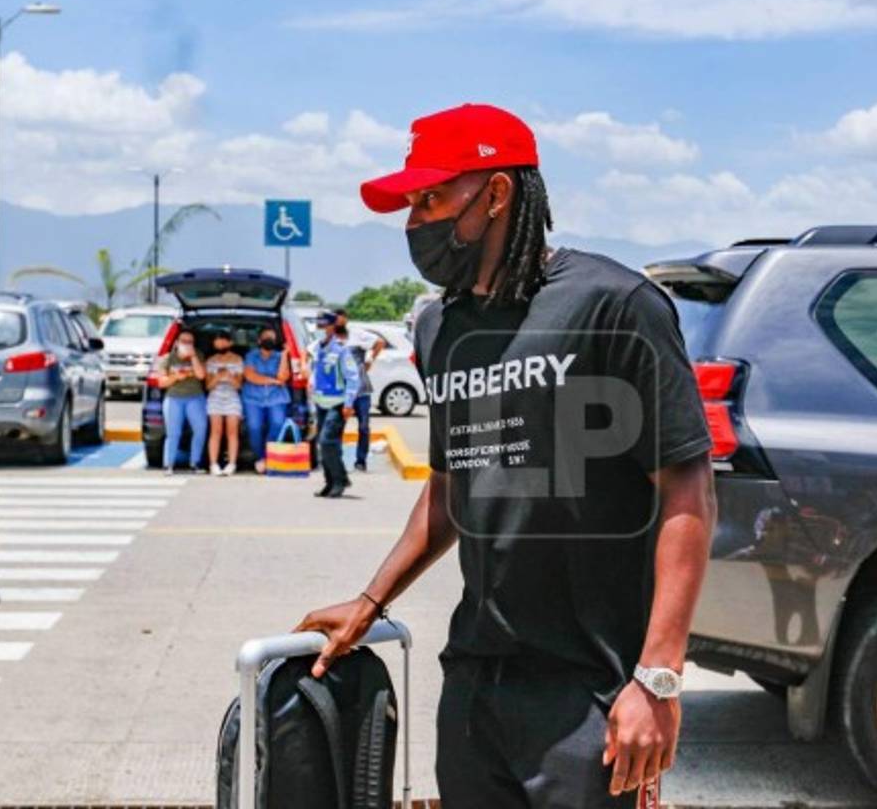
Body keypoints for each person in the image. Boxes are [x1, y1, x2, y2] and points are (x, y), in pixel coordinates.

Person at [296, 104, 717, 807]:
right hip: (473, 686)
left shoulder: (612, 305)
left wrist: (658, 678)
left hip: (591, 691)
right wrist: (372, 600)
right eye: (409, 204)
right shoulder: (440, 326)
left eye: (432, 198)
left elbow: (689, 490)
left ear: (497, 193)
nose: (415, 222)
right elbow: (453, 485)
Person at [310, 311, 361, 498]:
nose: (320, 329)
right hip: (320, 402)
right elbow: (315, 376)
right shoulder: (316, 349)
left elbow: (353, 378)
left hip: (338, 404)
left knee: (327, 441)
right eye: (318, 326)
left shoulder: (341, 350)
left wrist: (348, 404)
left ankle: (340, 480)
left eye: (324, 326)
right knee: (323, 445)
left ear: (332, 327)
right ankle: (330, 481)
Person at [334, 309, 384, 472]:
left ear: (346, 320)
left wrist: (370, 360)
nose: (339, 323)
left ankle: (360, 461)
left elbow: (379, 342)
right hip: (341, 391)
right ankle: (337, 459)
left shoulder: (357, 334)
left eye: (341, 320)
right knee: (337, 426)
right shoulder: (330, 339)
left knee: (363, 426)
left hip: (361, 389)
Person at [155, 326, 207, 475]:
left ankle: (195, 463)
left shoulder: (198, 355)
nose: (187, 344)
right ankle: (169, 464)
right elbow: (161, 382)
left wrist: (193, 357)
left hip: (195, 397)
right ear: (177, 343)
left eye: (190, 342)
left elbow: (201, 375)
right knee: (173, 432)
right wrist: (175, 377)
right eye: (184, 341)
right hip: (174, 398)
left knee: (200, 429)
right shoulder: (168, 358)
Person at [242, 326, 292, 474]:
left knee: (277, 423)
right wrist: (273, 381)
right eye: (266, 337)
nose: (269, 340)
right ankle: (261, 457)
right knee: (254, 427)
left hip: (276, 398)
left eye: (272, 338)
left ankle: (269, 457)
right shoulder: (251, 355)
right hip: (253, 398)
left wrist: (284, 356)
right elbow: (250, 376)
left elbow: (283, 377)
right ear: (259, 340)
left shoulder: (279, 356)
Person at [204, 329, 244, 476]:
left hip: (232, 398)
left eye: (223, 340)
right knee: (215, 431)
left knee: (232, 432)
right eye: (217, 340)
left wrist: (229, 376)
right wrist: (217, 377)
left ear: (230, 342)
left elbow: (239, 385)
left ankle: (231, 463)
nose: (219, 343)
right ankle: (213, 464)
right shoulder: (210, 361)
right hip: (215, 398)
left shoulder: (238, 360)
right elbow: (208, 386)